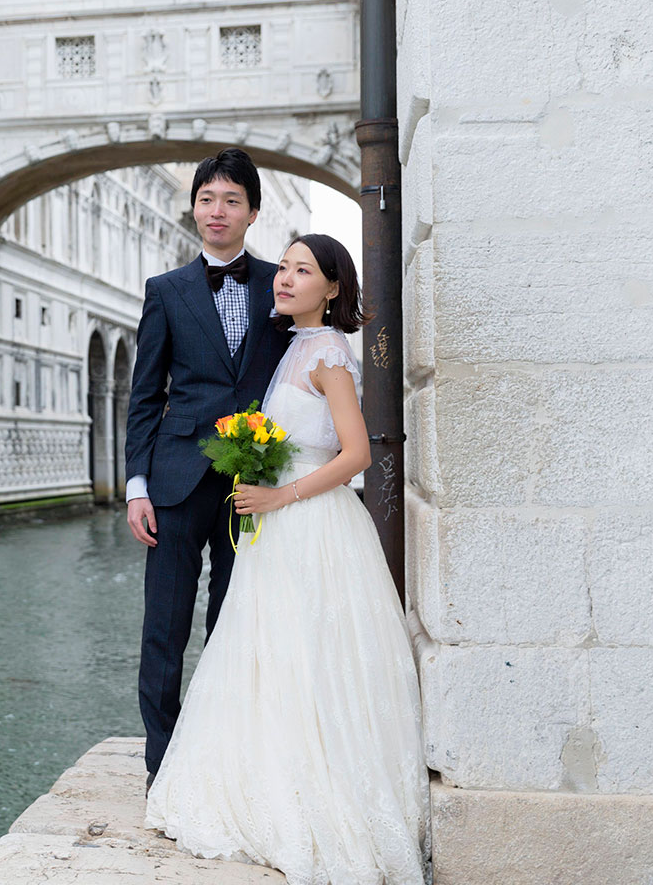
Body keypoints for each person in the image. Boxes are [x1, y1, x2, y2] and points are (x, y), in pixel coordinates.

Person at [144, 233, 430, 885]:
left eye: (304, 270)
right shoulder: (295, 346)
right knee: (268, 654)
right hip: (277, 524)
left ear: (332, 288)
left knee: (309, 656)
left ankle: (315, 790)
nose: (286, 277)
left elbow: (356, 454)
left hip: (311, 520)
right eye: (287, 266)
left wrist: (280, 492)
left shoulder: (327, 349)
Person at [124, 147, 293, 791]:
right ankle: (161, 764)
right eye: (207, 199)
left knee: (232, 618)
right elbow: (145, 396)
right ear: (194, 208)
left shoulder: (282, 285)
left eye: (230, 200)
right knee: (163, 626)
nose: (217, 211)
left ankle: (224, 751)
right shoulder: (164, 292)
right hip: (172, 479)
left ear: (252, 211)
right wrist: (137, 486)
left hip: (253, 479)